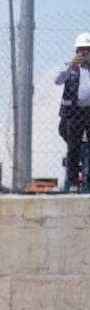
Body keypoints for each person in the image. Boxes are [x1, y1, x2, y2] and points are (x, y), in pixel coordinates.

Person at [55, 32, 90, 193]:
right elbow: (57, 80)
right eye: (82, 50)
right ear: (76, 51)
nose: (85, 53)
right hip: (75, 113)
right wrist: (71, 65)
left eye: (88, 49)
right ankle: (73, 182)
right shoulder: (70, 67)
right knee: (73, 148)